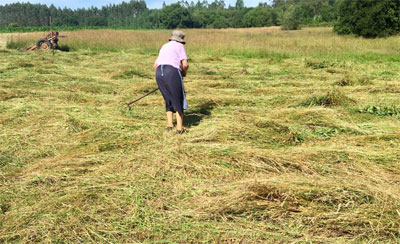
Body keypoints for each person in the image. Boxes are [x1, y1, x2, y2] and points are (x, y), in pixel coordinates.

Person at [153, 30, 189, 134]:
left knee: (168, 99)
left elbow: (155, 66)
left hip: (159, 72)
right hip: (171, 72)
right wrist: (183, 73)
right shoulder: (180, 46)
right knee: (178, 99)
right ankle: (179, 129)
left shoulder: (164, 46)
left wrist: (164, 79)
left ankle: (170, 126)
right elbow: (185, 64)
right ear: (181, 40)